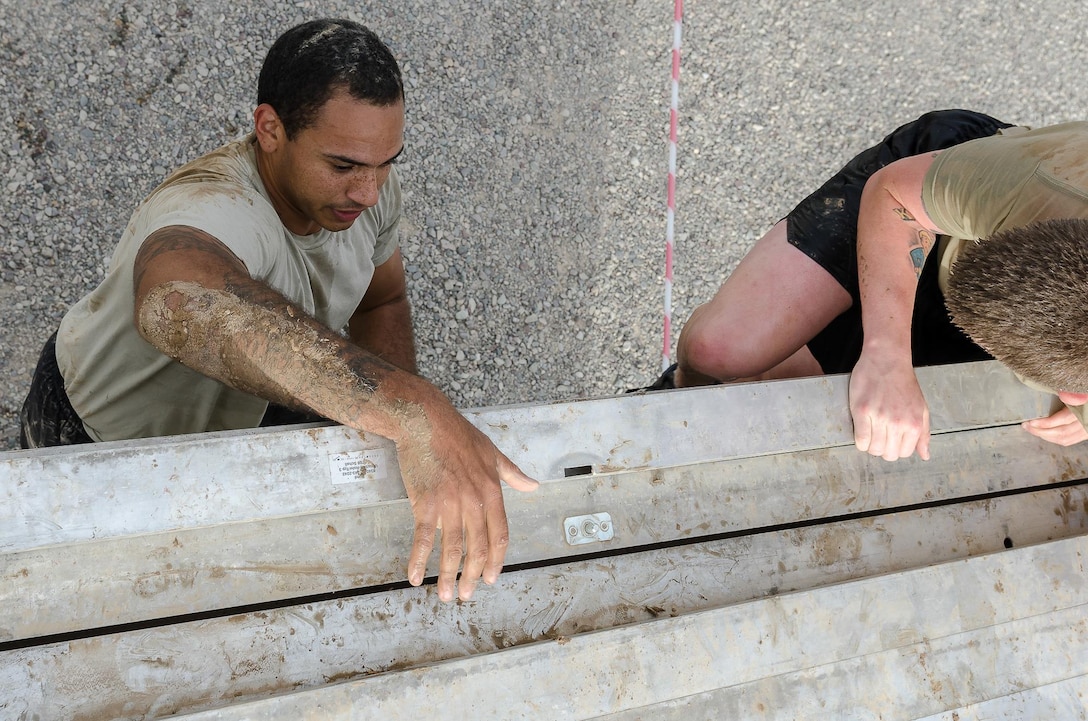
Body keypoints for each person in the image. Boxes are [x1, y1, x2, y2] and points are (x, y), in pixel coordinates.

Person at [19, 18, 538, 603]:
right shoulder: (216, 202)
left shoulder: (368, 189)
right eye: (343, 166)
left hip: (245, 413)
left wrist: (397, 433)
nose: (368, 193)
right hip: (103, 439)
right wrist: (410, 406)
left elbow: (383, 297)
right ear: (270, 129)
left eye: (386, 162)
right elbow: (174, 299)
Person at [661, 109, 1088, 460]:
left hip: (1030, 310)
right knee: (720, 350)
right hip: (929, 194)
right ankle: (674, 393)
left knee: (811, 402)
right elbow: (895, 197)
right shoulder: (1049, 181)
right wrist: (886, 357)